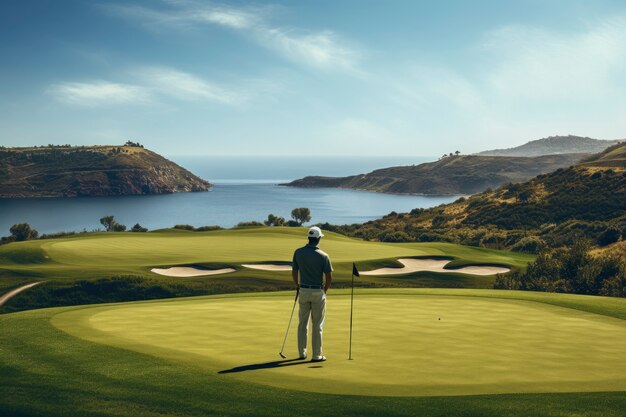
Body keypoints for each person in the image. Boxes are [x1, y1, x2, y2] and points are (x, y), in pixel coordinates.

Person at [292, 226, 333, 362]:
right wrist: (324, 291)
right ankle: (316, 355)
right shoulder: (324, 256)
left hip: (303, 290)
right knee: (317, 324)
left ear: (308, 238)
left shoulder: (298, 252)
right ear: (319, 238)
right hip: (317, 292)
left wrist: (297, 286)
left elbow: (294, 272)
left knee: (302, 323)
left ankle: (302, 353)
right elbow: (328, 278)